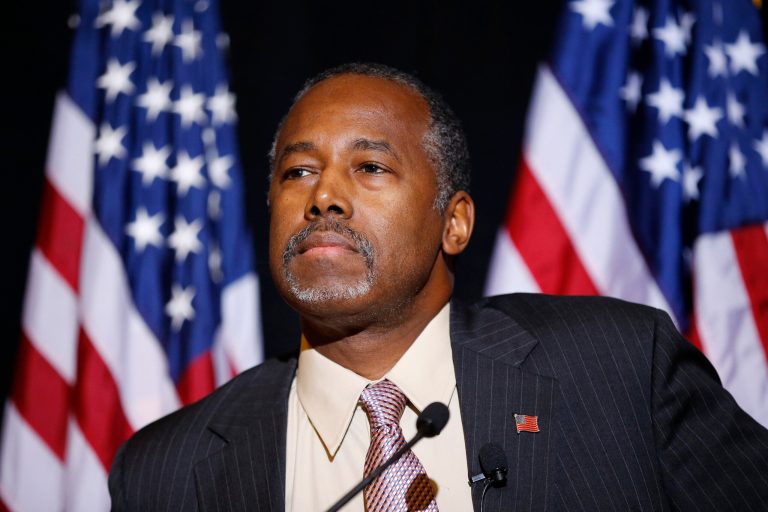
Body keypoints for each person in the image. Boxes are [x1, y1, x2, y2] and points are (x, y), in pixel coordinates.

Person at [108, 63, 768, 512]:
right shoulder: (168, 471)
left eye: (369, 166)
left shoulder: (621, 367)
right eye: (297, 172)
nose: (325, 197)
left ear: (454, 223)